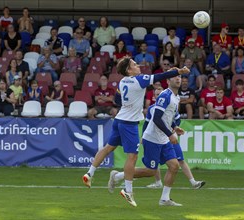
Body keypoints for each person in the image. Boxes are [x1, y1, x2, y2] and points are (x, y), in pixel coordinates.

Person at [82, 57, 189, 207]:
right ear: (128, 70)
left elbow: (118, 99)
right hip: (129, 123)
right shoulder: (139, 80)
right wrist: (178, 71)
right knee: (132, 156)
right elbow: (160, 77)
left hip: (119, 119)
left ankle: (90, 173)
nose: (137, 65)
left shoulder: (123, 81)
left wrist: (129, 103)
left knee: (108, 148)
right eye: (134, 64)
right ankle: (128, 190)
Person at [108, 75, 187, 206]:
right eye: (174, 77)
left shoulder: (176, 97)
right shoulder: (165, 96)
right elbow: (156, 118)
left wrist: (174, 127)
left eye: (179, 77)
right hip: (152, 139)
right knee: (151, 171)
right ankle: (117, 176)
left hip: (163, 139)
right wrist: (170, 134)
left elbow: (167, 117)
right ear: (168, 81)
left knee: (174, 166)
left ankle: (164, 199)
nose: (178, 79)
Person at [143, 86, 204, 189]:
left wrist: (174, 128)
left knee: (179, 159)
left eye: (160, 94)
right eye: (157, 95)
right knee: (154, 165)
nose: (159, 97)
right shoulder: (152, 109)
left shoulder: (171, 105)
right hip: (156, 138)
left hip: (169, 137)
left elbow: (177, 119)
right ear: (154, 96)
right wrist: (143, 135)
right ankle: (158, 182)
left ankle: (193, 182)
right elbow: (147, 123)